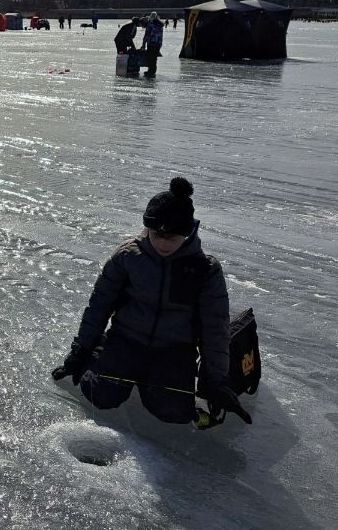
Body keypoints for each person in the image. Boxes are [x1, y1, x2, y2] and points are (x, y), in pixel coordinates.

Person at [51, 177, 252, 427]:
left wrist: (216, 380)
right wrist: (80, 350)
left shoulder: (204, 269)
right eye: (159, 235)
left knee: (173, 413)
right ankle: (100, 353)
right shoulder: (127, 257)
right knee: (99, 395)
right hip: (126, 339)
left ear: (189, 231)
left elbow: (215, 327)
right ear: (148, 228)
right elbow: (99, 305)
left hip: (174, 349)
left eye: (174, 236)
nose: (165, 243)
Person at [139, 11, 164, 78]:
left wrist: (143, 45)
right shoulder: (160, 25)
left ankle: (150, 71)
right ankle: (152, 71)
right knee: (154, 58)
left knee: (150, 58)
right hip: (158, 44)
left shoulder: (150, 25)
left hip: (152, 43)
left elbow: (146, 36)